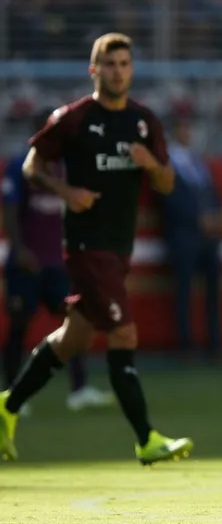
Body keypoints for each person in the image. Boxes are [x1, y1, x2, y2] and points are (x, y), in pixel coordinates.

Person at [0, 33, 193, 464]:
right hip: (87, 246)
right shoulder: (73, 119)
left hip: (119, 248)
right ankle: (146, 438)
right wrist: (65, 191)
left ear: (131, 70)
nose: (117, 72)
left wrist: (151, 164)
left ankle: (7, 405)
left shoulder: (143, 121)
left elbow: (166, 182)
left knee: (73, 338)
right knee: (124, 332)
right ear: (94, 71)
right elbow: (32, 166)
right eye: (109, 65)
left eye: (124, 64)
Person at [2, 110, 115, 414]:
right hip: (27, 263)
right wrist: (19, 249)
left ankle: (79, 388)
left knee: (75, 323)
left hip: (58, 263)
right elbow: (10, 210)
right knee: (19, 325)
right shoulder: (22, 166)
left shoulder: (66, 167)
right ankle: (11, 393)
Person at [159, 118, 222, 358]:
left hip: (208, 239)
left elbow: (212, 193)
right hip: (183, 236)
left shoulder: (198, 160)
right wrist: (199, 218)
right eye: (183, 126)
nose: (187, 131)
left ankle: (214, 342)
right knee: (183, 292)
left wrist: (215, 216)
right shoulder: (167, 162)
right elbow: (168, 199)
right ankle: (185, 343)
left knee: (213, 290)